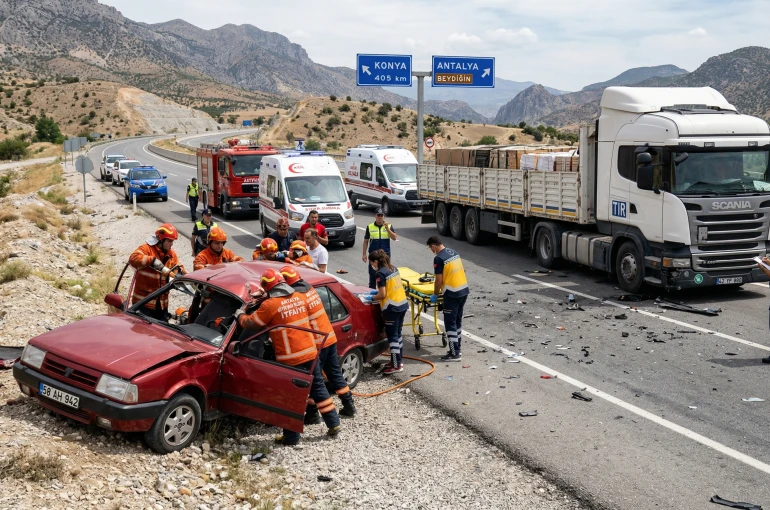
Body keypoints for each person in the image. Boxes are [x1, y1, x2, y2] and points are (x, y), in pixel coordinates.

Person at [235, 269, 341, 445]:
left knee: (291, 398)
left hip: (291, 359)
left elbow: (252, 323)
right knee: (318, 388)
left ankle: (291, 437)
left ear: (268, 288)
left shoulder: (270, 305)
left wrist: (240, 315)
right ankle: (333, 423)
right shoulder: (299, 297)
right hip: (310, 352)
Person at [280, 266, 356, 419]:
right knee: (335, 373)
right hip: (329, 338)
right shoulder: (310, 290)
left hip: (317, 343)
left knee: (314, 380)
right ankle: (349, 406)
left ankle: (313, 414)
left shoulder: (297, 297)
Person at [129, 223, 187, 321]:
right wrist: (152, 260)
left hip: (162, 305)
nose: (171, 244)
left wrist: (184, 274)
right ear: (161, 239)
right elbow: (133, 258)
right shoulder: (147, 249)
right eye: (169, 241)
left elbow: (178, 267)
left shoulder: (171, 254)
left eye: (172, 241)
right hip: (143, 304)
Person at [427, 235, 469, 362]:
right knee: (457, 321)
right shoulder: (453, 252)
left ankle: (454, 353)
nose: (431, 250)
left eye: (430, 248)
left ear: (433, 246)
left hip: (452, 294)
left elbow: (438, 280)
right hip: (463, 290)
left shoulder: (438, 259)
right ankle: (457, 349)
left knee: (450, 323)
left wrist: (435, 294)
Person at [366, 250, 408, 374]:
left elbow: (382, 294)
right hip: (401, 305)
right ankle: (398, 361)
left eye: (372, 263)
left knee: (392, 337)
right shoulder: (393, 268)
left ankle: (396, 366)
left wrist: (372, 297)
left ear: (376, 261)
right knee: (398, 334)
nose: (372, 266)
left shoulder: (380, 274)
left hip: (392, 308)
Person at [362, 207, 398, 288]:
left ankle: (384, 294)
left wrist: (387, 229)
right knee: (372, 277)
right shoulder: (370, 227)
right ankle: (372, 296)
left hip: (385, 256)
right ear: (375, 216)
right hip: (373, 256)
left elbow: (394, 237)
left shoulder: (389, 226)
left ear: (384, 216)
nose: (380, 217)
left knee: (386, 276)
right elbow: (365, 241)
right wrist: (364, 254)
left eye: (382, 215)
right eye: (378, 215)